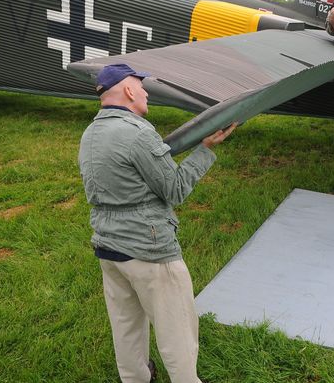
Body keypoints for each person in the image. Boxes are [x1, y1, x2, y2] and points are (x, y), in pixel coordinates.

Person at [78, 64, 237, 383]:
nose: (146, 91)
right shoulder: (137, 132)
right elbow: (175, 189)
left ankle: (136, 378)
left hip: (109, 249)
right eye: (141, 85)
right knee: (177, 331)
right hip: (148, 251)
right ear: (128, 90)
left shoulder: (90, 133)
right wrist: (205, 151)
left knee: (125, 326)